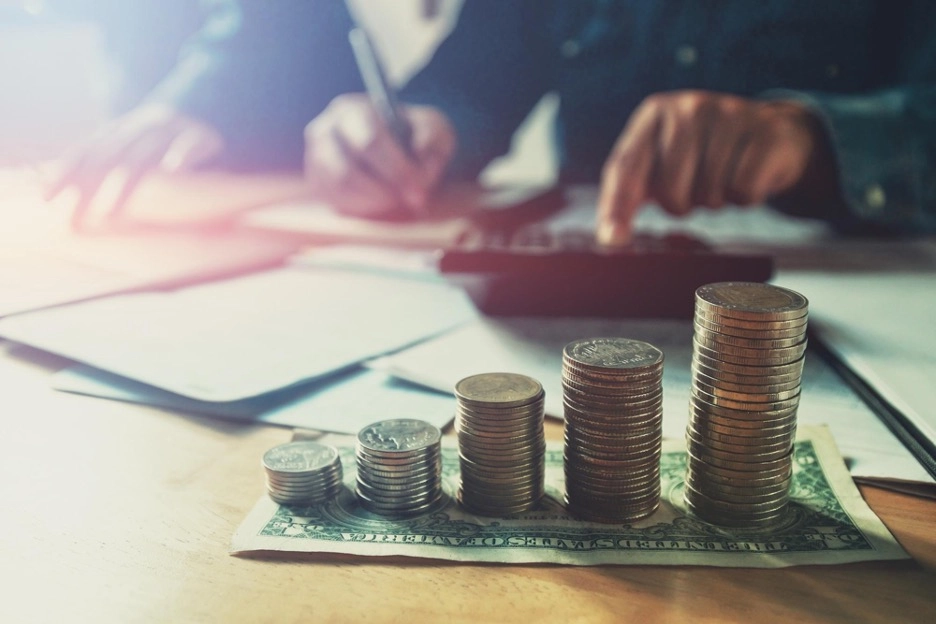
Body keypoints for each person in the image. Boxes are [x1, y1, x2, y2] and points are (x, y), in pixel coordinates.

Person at [49, 0, 936, 240]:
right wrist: (416, 134)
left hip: (856, 295)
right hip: (589, 296)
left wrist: (807, 138)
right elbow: (470, 86)